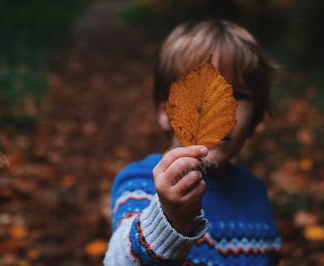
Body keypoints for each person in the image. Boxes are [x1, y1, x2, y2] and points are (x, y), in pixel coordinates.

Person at [104, 20, 281, 265]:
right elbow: (119, 261)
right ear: (166, 112)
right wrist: (169, 218)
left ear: (256, 118)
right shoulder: (140, 182)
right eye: (197, 94)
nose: (216, 110)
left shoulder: (255, 191)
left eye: (236, 96)